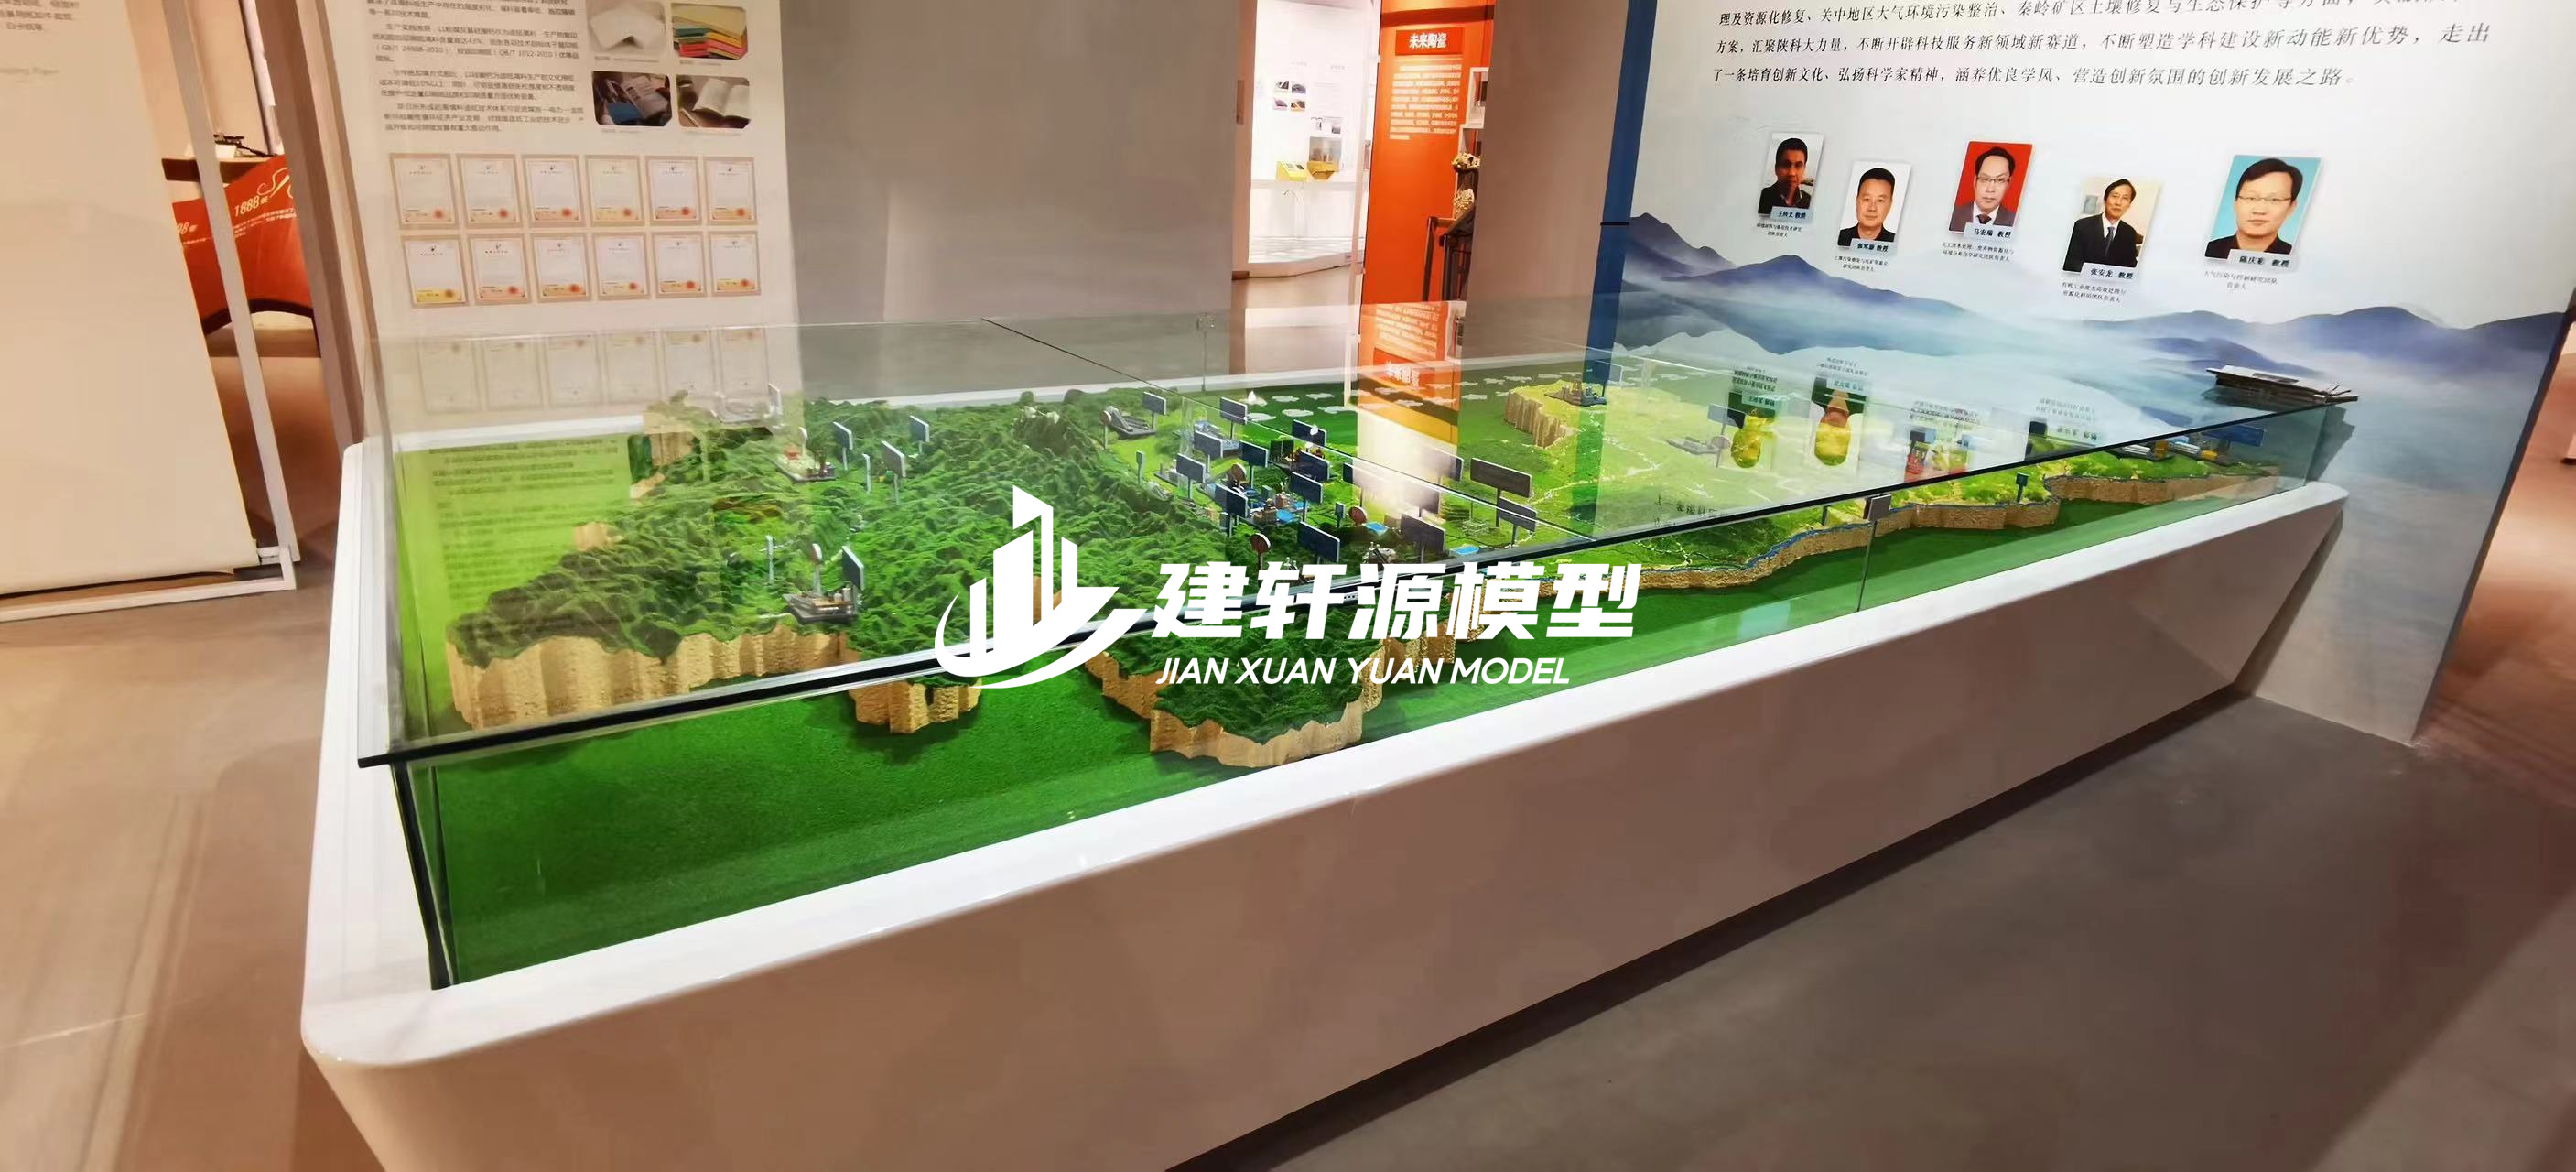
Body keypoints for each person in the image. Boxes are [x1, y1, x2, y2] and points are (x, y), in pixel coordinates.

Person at [2205, 157, 2303, 258]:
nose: (2259, 210)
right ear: (2235, 202)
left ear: (2292, 207)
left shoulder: (2296, 257)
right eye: (2251, 198)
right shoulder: (2209, 250)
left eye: (2274, 199)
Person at [2062, 179, 2144, 272]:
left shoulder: (2129, 233)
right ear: (2105, 200)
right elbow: (2071, 261)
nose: (2118, 202)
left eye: (2125, 198)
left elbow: (2129, 266)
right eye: (2115, 196)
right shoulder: (2081, 226)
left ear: (2129, 205)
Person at [1949, 146, 2019, 232]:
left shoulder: (2016, 221)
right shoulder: (1952, 215)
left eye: (2000, 180)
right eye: (1985, 179)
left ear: (2008, 184)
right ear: (1975, 181)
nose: (1990, 189)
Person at [1836, 168, 1899, 247]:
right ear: (1857, 201)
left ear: (1890, 205)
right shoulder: (1838, 238)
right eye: (1867, 199)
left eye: (1880, 200)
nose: (1872, 208)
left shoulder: (1896, 243)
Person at [1757, 137, 1812, 215]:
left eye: (1798, 165)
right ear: (1776, 168)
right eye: (1786, 165)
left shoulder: (1809, 201)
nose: (1792, 173)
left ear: (1804, 169)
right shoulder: (1761, 198)